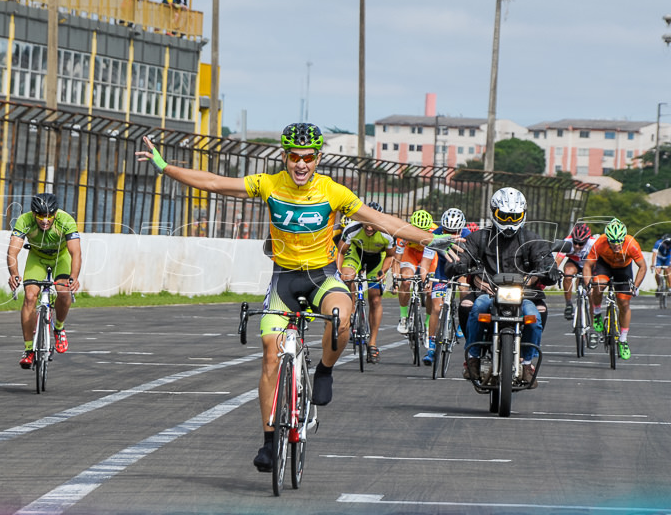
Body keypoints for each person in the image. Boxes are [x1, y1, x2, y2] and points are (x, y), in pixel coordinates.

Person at [135, 122, 460, 473]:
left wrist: (430, 240)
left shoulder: (332, 191)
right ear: (284, 157)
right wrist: (165, 167)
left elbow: (380, 220)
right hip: (284, 280)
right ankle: (269, 441)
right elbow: (215, 183)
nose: (301, 164)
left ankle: (324, 370)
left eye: (308, 157)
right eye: (294, 157)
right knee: (270, 352)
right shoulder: (268, 184)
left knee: (342, 317)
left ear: (318, 157)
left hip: (322, 277)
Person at [446, 187, 557, 388]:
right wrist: (462, 266)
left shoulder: (532, 239)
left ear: (523, 215)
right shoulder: (477, 237)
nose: (509, 221)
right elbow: (462, 255)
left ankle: (526, 363)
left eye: (515, 216)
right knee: (475, 306)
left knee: (537, 313)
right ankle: (472, 357)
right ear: (494, 212)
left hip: (524, 296)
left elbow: (546, 260)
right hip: (487, 293)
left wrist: (548, 270)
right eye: (504, 216)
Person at [7, 193, 82, 368]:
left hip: (60, 259)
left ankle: (59, 328)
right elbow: (12, 252)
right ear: (33, 214)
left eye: (49, 216)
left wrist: (74, 277)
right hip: (37, 258)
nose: (45, 220)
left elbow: (75, 252)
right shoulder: (24, 220)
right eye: (40, 215)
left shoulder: (66, 220)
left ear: (55, 213)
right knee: (30, 296)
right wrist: (14, 273)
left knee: (64, 292)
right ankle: (28, 350)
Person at [337, 202, 396, 364]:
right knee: (348, 277)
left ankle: (372, 343)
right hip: (356, 253)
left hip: (377, 259)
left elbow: (391, 256)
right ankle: (351, 309)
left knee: (375, 298)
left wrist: (383, 272)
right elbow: (341, 252)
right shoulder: (352, 229)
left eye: (373, 225)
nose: (369, 228)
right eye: (366, 224)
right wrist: (340, 271)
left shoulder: (388, 232)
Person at [582, 218, 648, 361]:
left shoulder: (631, 244)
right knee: (598, 286)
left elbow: (643, 267)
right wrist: (588, 285)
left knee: (624, 303)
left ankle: (623, 340)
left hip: (623, 269)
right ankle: (598, 312)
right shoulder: (600, 242)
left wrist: (635, 286)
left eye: (619, 241)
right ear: (608, 239)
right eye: (613, 242)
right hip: (604, 265)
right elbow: (587, 265)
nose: (617, 245)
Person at [423, 207, 472, 366]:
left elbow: (474, 260)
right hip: (442, 272)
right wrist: (425, 278)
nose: (451, 234)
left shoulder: (467, 236)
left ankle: (461, 322)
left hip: (461, 270)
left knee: (464, 288)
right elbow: (426, 260)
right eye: (447, 231)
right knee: (436, 308)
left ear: (461, 228)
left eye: (454, 231)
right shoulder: (435, 234)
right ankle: (431, 347)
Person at [393, 210, 438, 336]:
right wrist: (396, 278)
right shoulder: (404, 233)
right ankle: (403, 317)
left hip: (429, 256)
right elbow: (397, 260)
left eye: (423, 231)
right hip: (410, 253)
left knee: (430, 291)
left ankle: (429, 323)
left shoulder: (435, 231)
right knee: (406, 281)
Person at [554, 222, 595, 321]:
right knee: (567, 274)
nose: (577, 246)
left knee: (592, 295)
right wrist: (553, 270)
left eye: (581, 244)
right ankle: (568, 304)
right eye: (575, 242)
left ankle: (595, 323)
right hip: (574, 263)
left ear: (587, 240)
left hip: (589, 265)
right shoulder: (567, 241)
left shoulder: (593, 243)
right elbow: (558, 260)